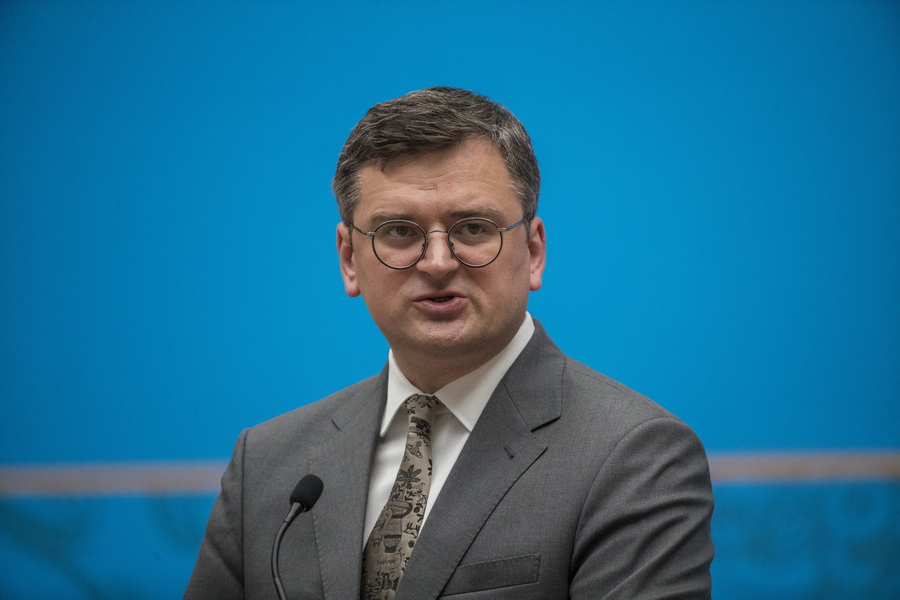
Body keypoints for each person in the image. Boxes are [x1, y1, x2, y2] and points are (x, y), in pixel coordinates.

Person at [184, 87, 714, 600]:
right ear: (349, 259)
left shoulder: (635, 457)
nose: (437, 263)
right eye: (399, 231)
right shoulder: (268, 464)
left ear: (533, 252)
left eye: (473, 228)